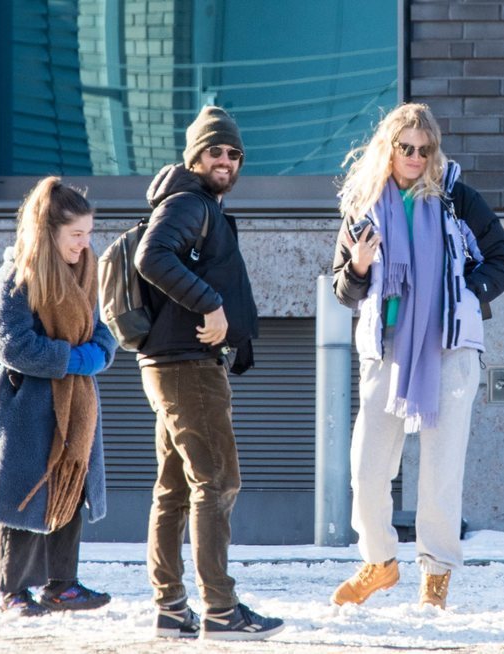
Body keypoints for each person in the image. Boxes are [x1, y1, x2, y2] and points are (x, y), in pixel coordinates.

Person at [331, 103, 504, 610]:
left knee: (441, 469)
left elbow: (503, 258)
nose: (414, 157)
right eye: (405, 147)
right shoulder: (363, 205)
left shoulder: (456, 196)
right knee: (367, 469)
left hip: (450, 347)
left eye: (424, 149)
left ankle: (436, 574)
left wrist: (464, 290)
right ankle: (379, 561)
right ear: (388, 148)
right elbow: (343, 292)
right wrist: (361, 268)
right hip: (386, 346)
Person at [133, 105, 284, 641]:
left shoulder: (198, 206)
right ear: (194, 156)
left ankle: (171, 609)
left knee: (174, 489)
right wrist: (212, 306)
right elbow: (151, 258)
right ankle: (221, 611)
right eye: (215, 150)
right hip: (186, 365)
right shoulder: (188, 202)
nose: (225, 159)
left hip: (175, 364)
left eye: (233, 152)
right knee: (217, 482)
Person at [0, 176, 117, 617]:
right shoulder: (15, 277)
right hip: (25, 406)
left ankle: (62, 583)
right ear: (49, 232)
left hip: (73, 404)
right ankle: (11, 589)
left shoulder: (86, 271)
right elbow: (12, 344)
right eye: (76, 235)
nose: (84, 243)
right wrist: (71, 360)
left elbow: (102, 326)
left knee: (69, 486)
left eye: (88, 234)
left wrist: (99, 352)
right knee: (23, 495)